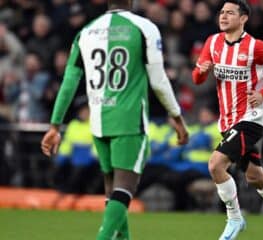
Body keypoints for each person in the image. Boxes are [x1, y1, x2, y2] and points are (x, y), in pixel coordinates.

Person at [40, 0, 189, 239]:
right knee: (125, 189)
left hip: (99, 122)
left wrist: (55, 125)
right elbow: (159, 79)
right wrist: (176, 116)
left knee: (113, 194)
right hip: (129, 121)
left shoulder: (86, 32)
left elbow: (69, 81)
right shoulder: (144, 27)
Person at [192, 1, 263, 240]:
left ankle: (234, 217)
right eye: (222, 12)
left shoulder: (255, 46)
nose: (223, 16)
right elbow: (197, 79)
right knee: (255, 176)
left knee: (215, 165)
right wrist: (202, 71)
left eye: (230, 13)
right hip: (228, 121)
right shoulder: (212, 43)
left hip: (251, 118)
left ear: (243, 18)